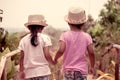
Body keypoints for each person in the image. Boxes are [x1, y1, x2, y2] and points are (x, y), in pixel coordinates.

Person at [54, 7, 95, 80]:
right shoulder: (87, 36)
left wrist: (56, 58)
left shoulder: (64, 35)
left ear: (68, 22)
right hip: (81, 70)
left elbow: (61, 50)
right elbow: (91, 53)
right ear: (83, 23)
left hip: (68, 70)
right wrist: (92, 66)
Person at [18, 14, 55, 80]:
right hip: (43, 72)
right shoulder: (45, 38)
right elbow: (47, 54)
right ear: (42, 27)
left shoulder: (23, 40)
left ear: (29, 27)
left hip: (29, 74)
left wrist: (21, 71)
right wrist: (52, 62)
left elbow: (21, 58)